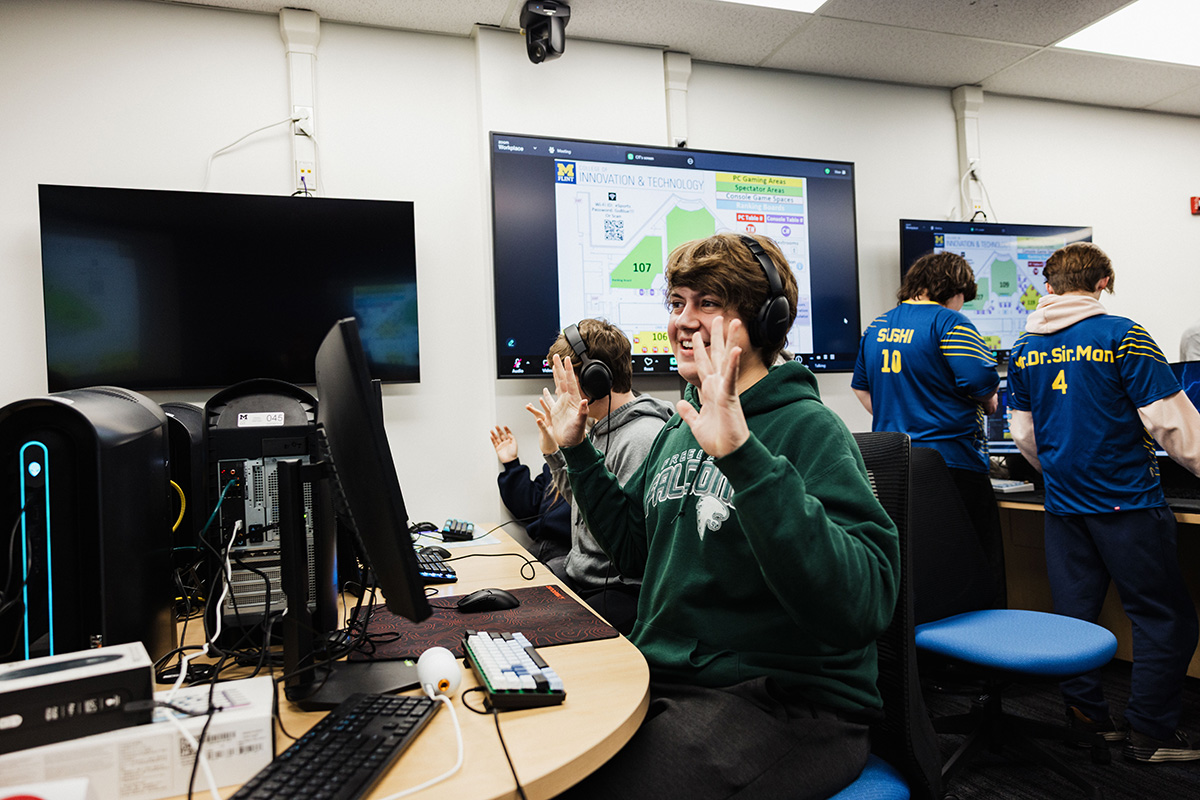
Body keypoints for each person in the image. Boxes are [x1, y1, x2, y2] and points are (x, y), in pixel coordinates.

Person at [534, 233, 899, 799]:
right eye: (677, 302)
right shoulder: (681, 429)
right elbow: (635, 551)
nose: (684, 320)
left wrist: (745, 459)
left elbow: (864, 601)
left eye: (708, 303)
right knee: (541, 757)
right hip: (672, 680)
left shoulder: (808, 428)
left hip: (788, 701)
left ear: (765, 318)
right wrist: (578, 452)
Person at [1008, 241, 1200, 762]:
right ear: (1103, 284)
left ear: (1049, 287)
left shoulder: (1025, 348)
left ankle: (1088, 720)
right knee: (1163, 617)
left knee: (1074, 618)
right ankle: (1152, 732)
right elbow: (1171, 424)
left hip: (1064, 504)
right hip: (1126, 503)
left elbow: (1023, 433)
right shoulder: (1122, 335)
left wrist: (1065, 469)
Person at [851, 250, 1005, 607]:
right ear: (952, 288)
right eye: (962, 296)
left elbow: (860, 387)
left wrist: (902, 412)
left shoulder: (878, 325)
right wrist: (988, 401)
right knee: (976, 572)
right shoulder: (949, 323)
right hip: (953, 464)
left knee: (919, 572)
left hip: (897, 468)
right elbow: (982, 380)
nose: (961, 305)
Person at [532, 319, 674, 635]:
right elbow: (585, 508)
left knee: (539, 631)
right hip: (581, 573)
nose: (559, 390)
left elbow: (622, 541)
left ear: (596, 380)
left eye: (564, 379)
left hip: (616, 587)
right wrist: (559, 452)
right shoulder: (599, 428)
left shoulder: (640, 438)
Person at [489, 424, 571, 582]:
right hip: (540, 546)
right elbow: (528, 509)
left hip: (566, 552)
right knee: (500, 571)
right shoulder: (556, 466)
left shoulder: (590, 464)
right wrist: (511, 464)